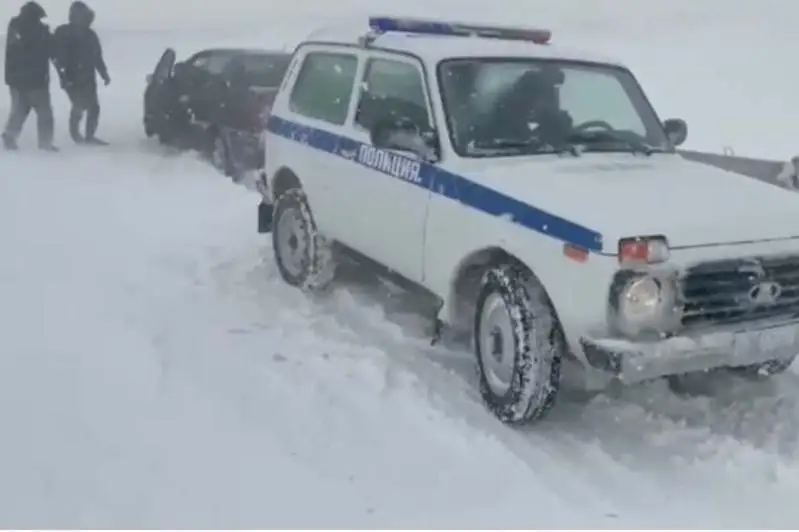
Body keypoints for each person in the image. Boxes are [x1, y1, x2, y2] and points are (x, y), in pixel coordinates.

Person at [2, 1, 58, 151]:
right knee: (44, 112)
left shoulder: (15, 27)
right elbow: (48, 50)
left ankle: (10, 136)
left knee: (20, 110)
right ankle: (45, 143)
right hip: (35, 79)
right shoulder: (37, 31)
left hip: (16, 79)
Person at [53, 1, 110, 145]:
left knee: (93, 107)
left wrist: (104, 74)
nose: (86, 21)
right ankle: (75, 135)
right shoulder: (63, 32)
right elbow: (54, 55)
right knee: (79, 105)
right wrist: (63, 74)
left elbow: (97, 56)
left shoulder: (90, 35)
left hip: (88, 77)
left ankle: (89, 136)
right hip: (71, 77)